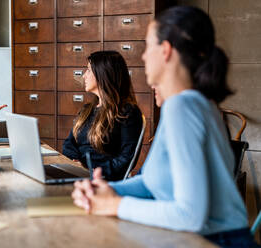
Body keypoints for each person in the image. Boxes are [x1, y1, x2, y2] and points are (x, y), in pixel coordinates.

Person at [72, 6, 258, 248]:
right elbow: (150, 181)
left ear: (166, 51)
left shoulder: (184, 106)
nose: (143, 57)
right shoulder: (188, 104)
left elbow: (190, 215)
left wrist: (114, 204)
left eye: (148, 47)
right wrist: (107, 190)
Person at [63, 51, 143, 181]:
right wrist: (75, 163)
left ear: (103, 74)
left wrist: (94, 171)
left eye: (88, 70)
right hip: (78, 175)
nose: (84, 76)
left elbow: (126, 159)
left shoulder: (127, 112)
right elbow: (69, 143)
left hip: (102, 181)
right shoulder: (87, 110)